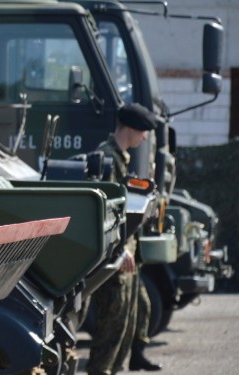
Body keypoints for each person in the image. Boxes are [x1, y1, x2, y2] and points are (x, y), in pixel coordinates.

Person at [86, 103, 162, 374]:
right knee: (111, 333)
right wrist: (119, 251)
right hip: (116, 260)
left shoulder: (120, 158)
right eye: (143, 132)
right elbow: (105, 216)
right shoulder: (107, 159)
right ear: (131, 128)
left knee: (125, 329)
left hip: (126, 258)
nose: (144, 138)